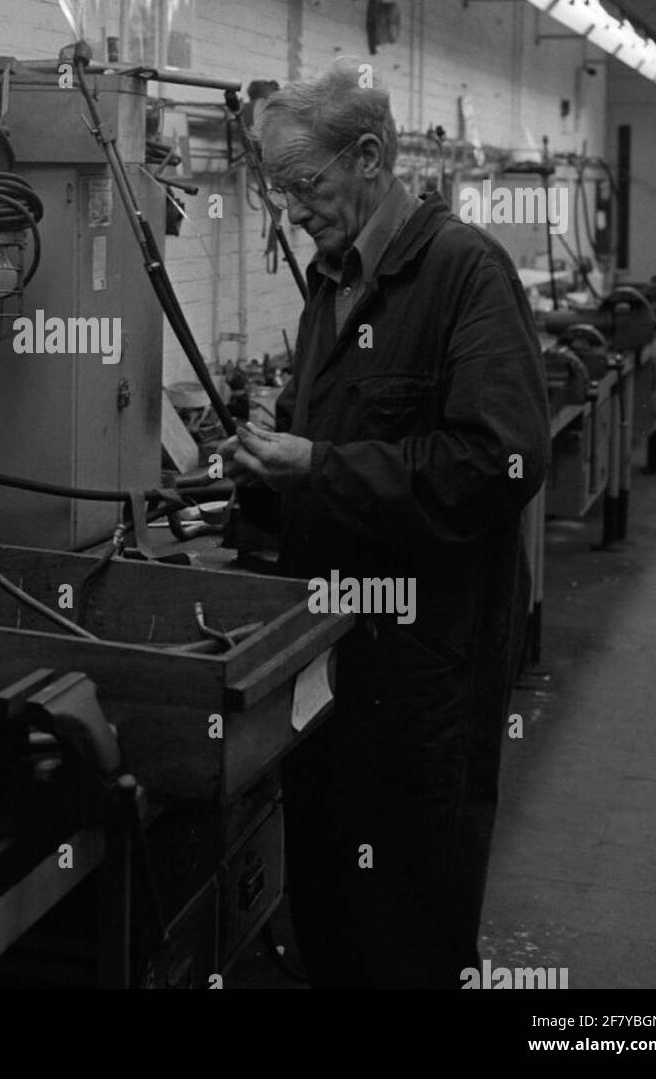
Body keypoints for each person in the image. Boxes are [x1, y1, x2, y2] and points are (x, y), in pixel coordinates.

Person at [223, 59, 550, 988]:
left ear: (368, 157)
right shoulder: (334, 279)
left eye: (303, 186)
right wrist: (268, 469)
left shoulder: (463, 273)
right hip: (335, 645)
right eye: (278, 191)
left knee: (413, 896)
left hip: (425, 659)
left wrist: (318, 465)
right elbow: (339, 438)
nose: (290, 210)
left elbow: (501, 464)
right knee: (330, 883)